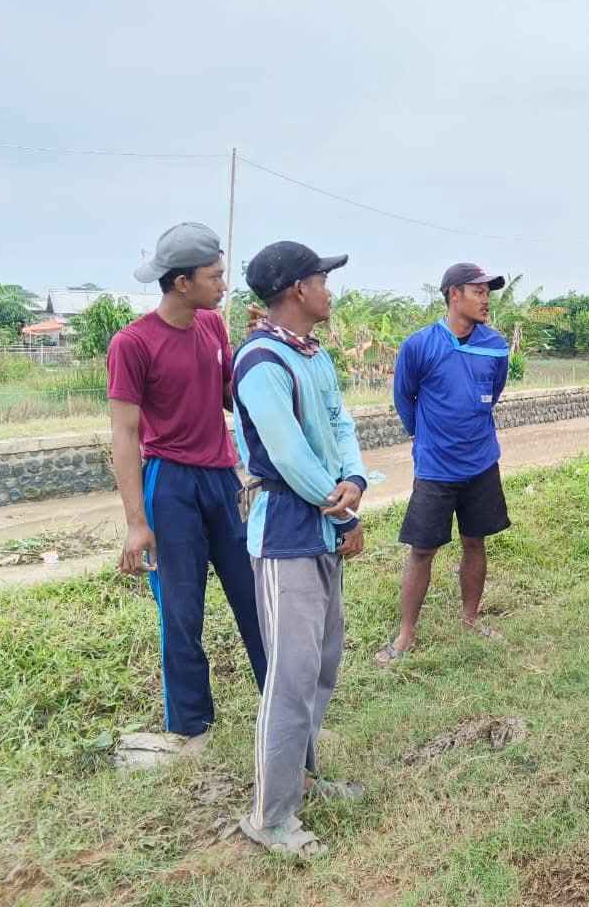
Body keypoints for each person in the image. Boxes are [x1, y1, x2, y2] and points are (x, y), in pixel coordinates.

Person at [231, 240, 367, 858]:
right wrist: (341, 504)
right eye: (322, 279)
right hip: (287, 530)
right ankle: (269, 815)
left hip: (321, 522)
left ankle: (303, 779)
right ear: (296, 290)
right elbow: (286, 454)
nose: (328, 290)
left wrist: (353, 481)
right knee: (289, 676)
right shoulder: (261, 361)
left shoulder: (311, 354)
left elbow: (340, 424)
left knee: (320, 663)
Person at [106, 222, 266, 748]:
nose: (224, 285)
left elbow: (229, 398)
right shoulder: (133, 343)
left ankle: (282, 706)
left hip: (222, 479)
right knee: (180, 611)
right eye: (214, 276)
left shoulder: (213, 327)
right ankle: (191, 729)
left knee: (256, 597)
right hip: (169, 484)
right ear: (181, 283)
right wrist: (136, 523)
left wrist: (255, 349)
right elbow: (124, 434)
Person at [376, 262, 512, 665]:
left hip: (482, 462)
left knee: (475, 541)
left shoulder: (496, 345)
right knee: (422, 550)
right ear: (454, 294)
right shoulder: (420, 345)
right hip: (435, 467)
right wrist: (423, 436)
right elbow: (404, 397)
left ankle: (470, 618)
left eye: (488, 293)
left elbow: (493, 391)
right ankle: (406, 634)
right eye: (478, 291)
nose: (486, 299)